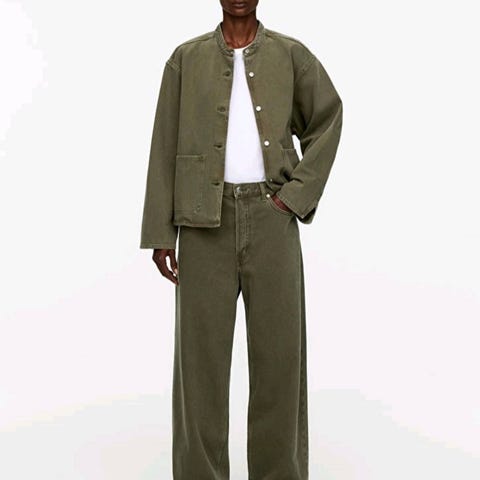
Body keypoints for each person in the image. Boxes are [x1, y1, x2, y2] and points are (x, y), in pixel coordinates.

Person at [140, 1, 343, 478]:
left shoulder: (291, 56)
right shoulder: (185, 59)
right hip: (201, 223)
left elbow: (328, 119)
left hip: (273, 219)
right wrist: (160, 232)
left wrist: (294, 197)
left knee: (279, 364)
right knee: (199, 370)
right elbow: (164, 143)